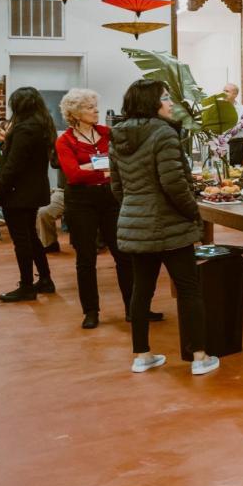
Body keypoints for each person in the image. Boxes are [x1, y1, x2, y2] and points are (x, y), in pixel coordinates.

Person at [111, 79, 217, 375]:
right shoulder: (163, 134)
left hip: (136, 223)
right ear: (152, 103)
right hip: (170, 223)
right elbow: (174, 184)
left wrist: (136, 208)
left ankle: (142, 355)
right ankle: (199, 357)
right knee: (188, 289)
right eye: (166, 98)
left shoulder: (117, 136)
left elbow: (117, 187)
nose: (170, 103)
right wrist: (193, 213)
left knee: (141, 290)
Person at [57, 88, 150, 330]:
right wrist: (103, 167)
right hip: (80, 201)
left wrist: (90, 167)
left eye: (95, 106)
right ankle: (90, 311)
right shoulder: (65, 140)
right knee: (86, 258)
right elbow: (74, 175)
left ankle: (134, 308)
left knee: (123, 254)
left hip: (110, 197)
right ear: (75, 113)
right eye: (89, 108)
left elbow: (125, 160)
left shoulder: (108, 133)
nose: (96, 111)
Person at [0, 87, 57, 302]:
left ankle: (26, 286)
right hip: (31, 191)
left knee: (22, 240)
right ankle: (45, 280)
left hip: (19, 192)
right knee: (31, 237)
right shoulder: (42, 125)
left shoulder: (25, 128)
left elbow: (13, 166)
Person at [223, 82, 243, 166]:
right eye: (223, 91)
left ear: (235, 94)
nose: (224, 93)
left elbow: (242, 126)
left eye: (227, 91)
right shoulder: (217, 107)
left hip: (237, 144)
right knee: (222, 170)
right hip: (221, 143)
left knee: (236, 171)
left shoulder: (242, 109)